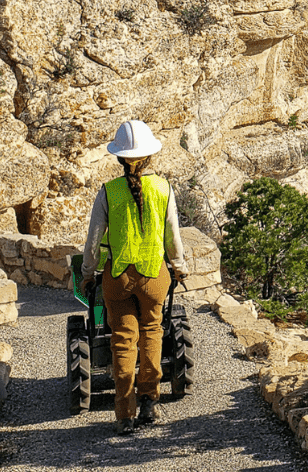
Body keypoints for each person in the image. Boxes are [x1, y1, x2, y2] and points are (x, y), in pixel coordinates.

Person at [81, 119, 188, 434]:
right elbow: (172, 237)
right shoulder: (163, 188)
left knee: (123, 341)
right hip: (154, 276)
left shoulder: (108, 192)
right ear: (150, 155)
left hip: (118, 277)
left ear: (119, 158)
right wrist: (179, 267)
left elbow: (93, 242)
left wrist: (89, 274)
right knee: (153, 332)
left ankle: (125, 414)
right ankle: (150, 403)